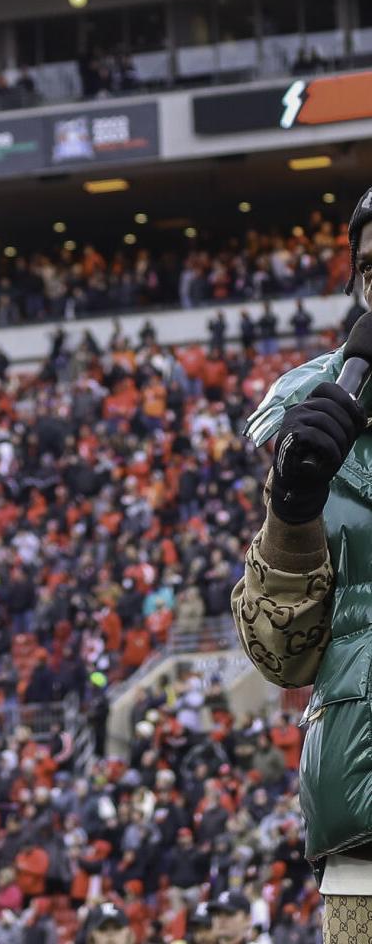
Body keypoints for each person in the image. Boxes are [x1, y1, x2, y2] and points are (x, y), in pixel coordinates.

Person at [233, 187, 372, 940]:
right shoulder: (311, 418)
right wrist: (291, 513)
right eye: (371, 266)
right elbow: (280, 658)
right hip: (365, 844)